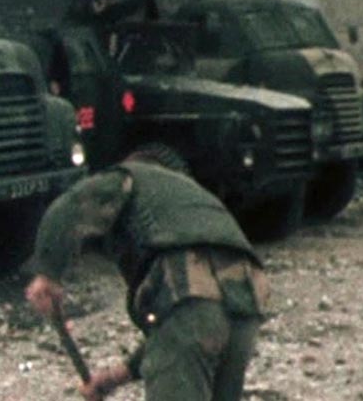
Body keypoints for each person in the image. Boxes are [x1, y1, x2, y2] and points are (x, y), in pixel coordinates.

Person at [25, 152, 269, 401]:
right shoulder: (193, 199)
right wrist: (114, 377)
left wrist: (48, 273)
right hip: (247, 301)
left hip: (189, 281)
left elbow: (71, 205)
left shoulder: (130, 175)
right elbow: (179, 326)